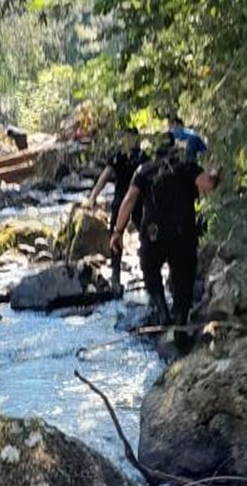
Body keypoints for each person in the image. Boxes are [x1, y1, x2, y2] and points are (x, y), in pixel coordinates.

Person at [110, 139, 220, 345]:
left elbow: (129, 199)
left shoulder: (144, 170)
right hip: (182, 232)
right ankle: (180, 320)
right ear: (176, 151)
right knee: (184, 275)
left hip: (154, 233)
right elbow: (207, 185)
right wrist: (216, 173)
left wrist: (118, 231)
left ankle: (162, 310)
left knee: (150, 269)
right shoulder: (187, 167)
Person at [87, 127, 147, 297]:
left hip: (136, 201)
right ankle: (116, 276)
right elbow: (105, 176)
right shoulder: (120, 156)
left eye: (131, 137)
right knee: (117, 237)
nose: (129, 140)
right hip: (124, 201)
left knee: (142, 236)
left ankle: (144, 271)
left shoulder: (141, 156)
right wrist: (93, 195)